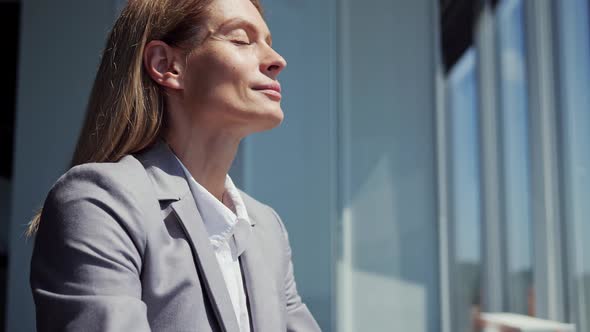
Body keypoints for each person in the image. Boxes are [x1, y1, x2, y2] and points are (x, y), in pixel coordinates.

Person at [27, 0, 321, 331]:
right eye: (241, 39)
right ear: (167, 65)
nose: (276, 60)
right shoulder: (101, 203)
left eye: (269, 42)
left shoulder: (267, 230)